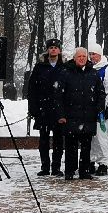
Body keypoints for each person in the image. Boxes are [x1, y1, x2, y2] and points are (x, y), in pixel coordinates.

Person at [56, 45, 104, 180]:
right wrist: (61, 115)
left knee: (86, 146)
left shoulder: (93, 73)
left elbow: (101, 94)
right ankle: (70, 171)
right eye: (79, 57)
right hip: (71, 116)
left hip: (88, 116)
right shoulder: (66, 73)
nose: (82, 59)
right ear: (74, 58)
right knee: (71, 146)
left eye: (84, 56)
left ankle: (84, 171)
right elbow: (58, 95)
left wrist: (99, 109)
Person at [24, 38, 65, 175]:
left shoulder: (64, 67)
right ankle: (45, 167)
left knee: (59, 141)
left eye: (56, 47)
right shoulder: (40, 67)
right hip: (44, 109)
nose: (53, 49)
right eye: (51, 47)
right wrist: (34, 108)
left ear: (59, 50)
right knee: (44, 141)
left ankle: (56, 167)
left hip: (59, 110)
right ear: (47, 50)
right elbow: (32, 89)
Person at [87, 46, 108, 176]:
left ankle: (103, 163)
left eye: (94, 54)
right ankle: (90, 161)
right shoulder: (89, 69)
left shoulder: (107, 70)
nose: (91, 57)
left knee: (102, 138)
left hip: (102, 110)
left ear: (100, 55)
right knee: (90, 139)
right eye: (90, 54)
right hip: (89, 110)